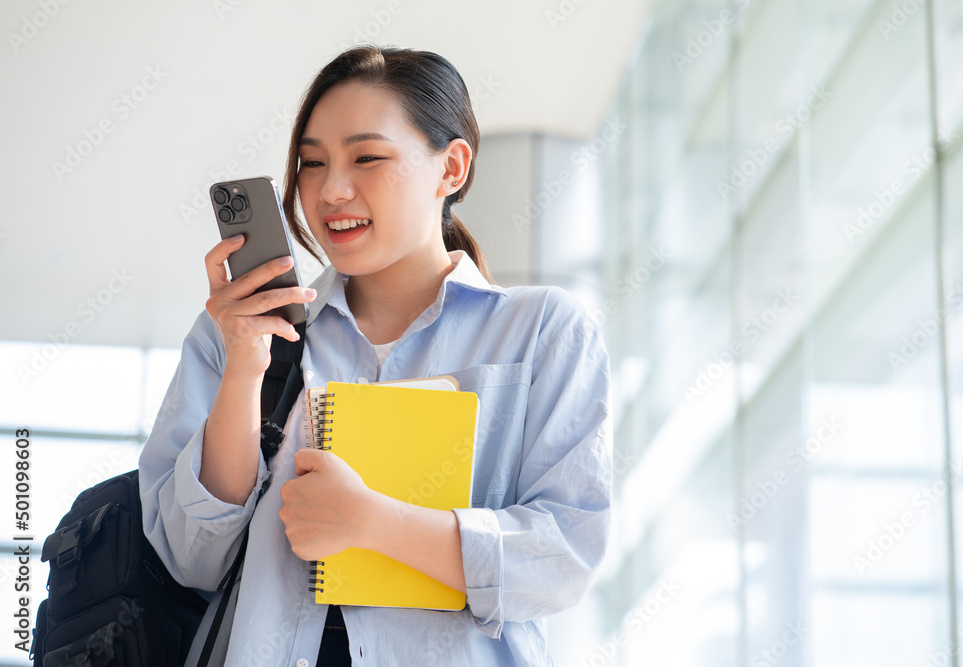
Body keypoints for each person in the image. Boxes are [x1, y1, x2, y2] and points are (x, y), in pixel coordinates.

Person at [138, 44, 612, 666]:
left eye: (367, 157)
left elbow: (564, 558)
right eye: (311, 163)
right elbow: (189, 556)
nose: (331, 189)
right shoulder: (241, 331)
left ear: (452, 168)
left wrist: (372, 522)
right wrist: (245, 370)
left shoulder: (542, 331)